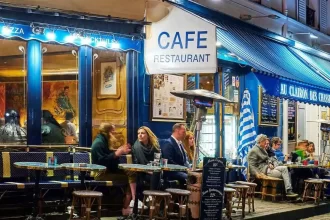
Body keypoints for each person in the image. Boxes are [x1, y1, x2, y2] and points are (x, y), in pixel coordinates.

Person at [91, 123, 135, 215]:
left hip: (106, 172)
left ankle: (128, 203)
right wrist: (117, 153)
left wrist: (119, 152)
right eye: (113, 131)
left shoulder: (103, 141)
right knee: (130, 179)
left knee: (132, 174)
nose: (114, 133)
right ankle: (127, 206)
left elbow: (108, 158)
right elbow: (102, 161)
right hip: (101, 174)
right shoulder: (99, 143)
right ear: (108, 132)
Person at [132, 126, 161, 204]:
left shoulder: (155, 145)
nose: (140, 135)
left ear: (148, 135)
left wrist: (152, 168)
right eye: (138, 133)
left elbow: (158, 160)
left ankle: (152, 196)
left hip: (154, 171)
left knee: (156, 172)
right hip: (142, 172)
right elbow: (136, 163)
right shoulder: (136, 146)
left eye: (142, 133)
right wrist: (147, 170)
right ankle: (152, 197)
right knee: (156, 174)